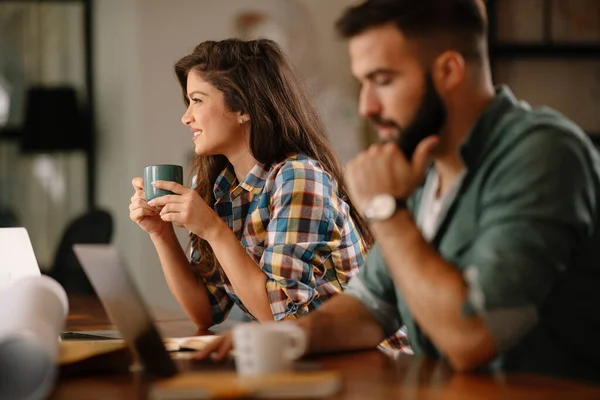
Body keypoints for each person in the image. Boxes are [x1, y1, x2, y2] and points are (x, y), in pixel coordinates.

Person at [196, 0, 600, 381]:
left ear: (448, 71)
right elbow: (370, 307)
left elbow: (473, 336)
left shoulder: (542, 153)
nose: (366, 106)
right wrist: (282, 339)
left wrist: (386, 210)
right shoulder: (425, 159)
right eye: (362, 83)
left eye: (382, 80)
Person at [129, 39, 372, 329]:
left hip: (370, 362)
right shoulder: (222, 188)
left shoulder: (299, 178)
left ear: (243, 108)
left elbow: (283, 316)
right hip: (301, 357)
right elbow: (206, 310)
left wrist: (212, 229)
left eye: (197, 100)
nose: (186, 117)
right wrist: (161, 232)